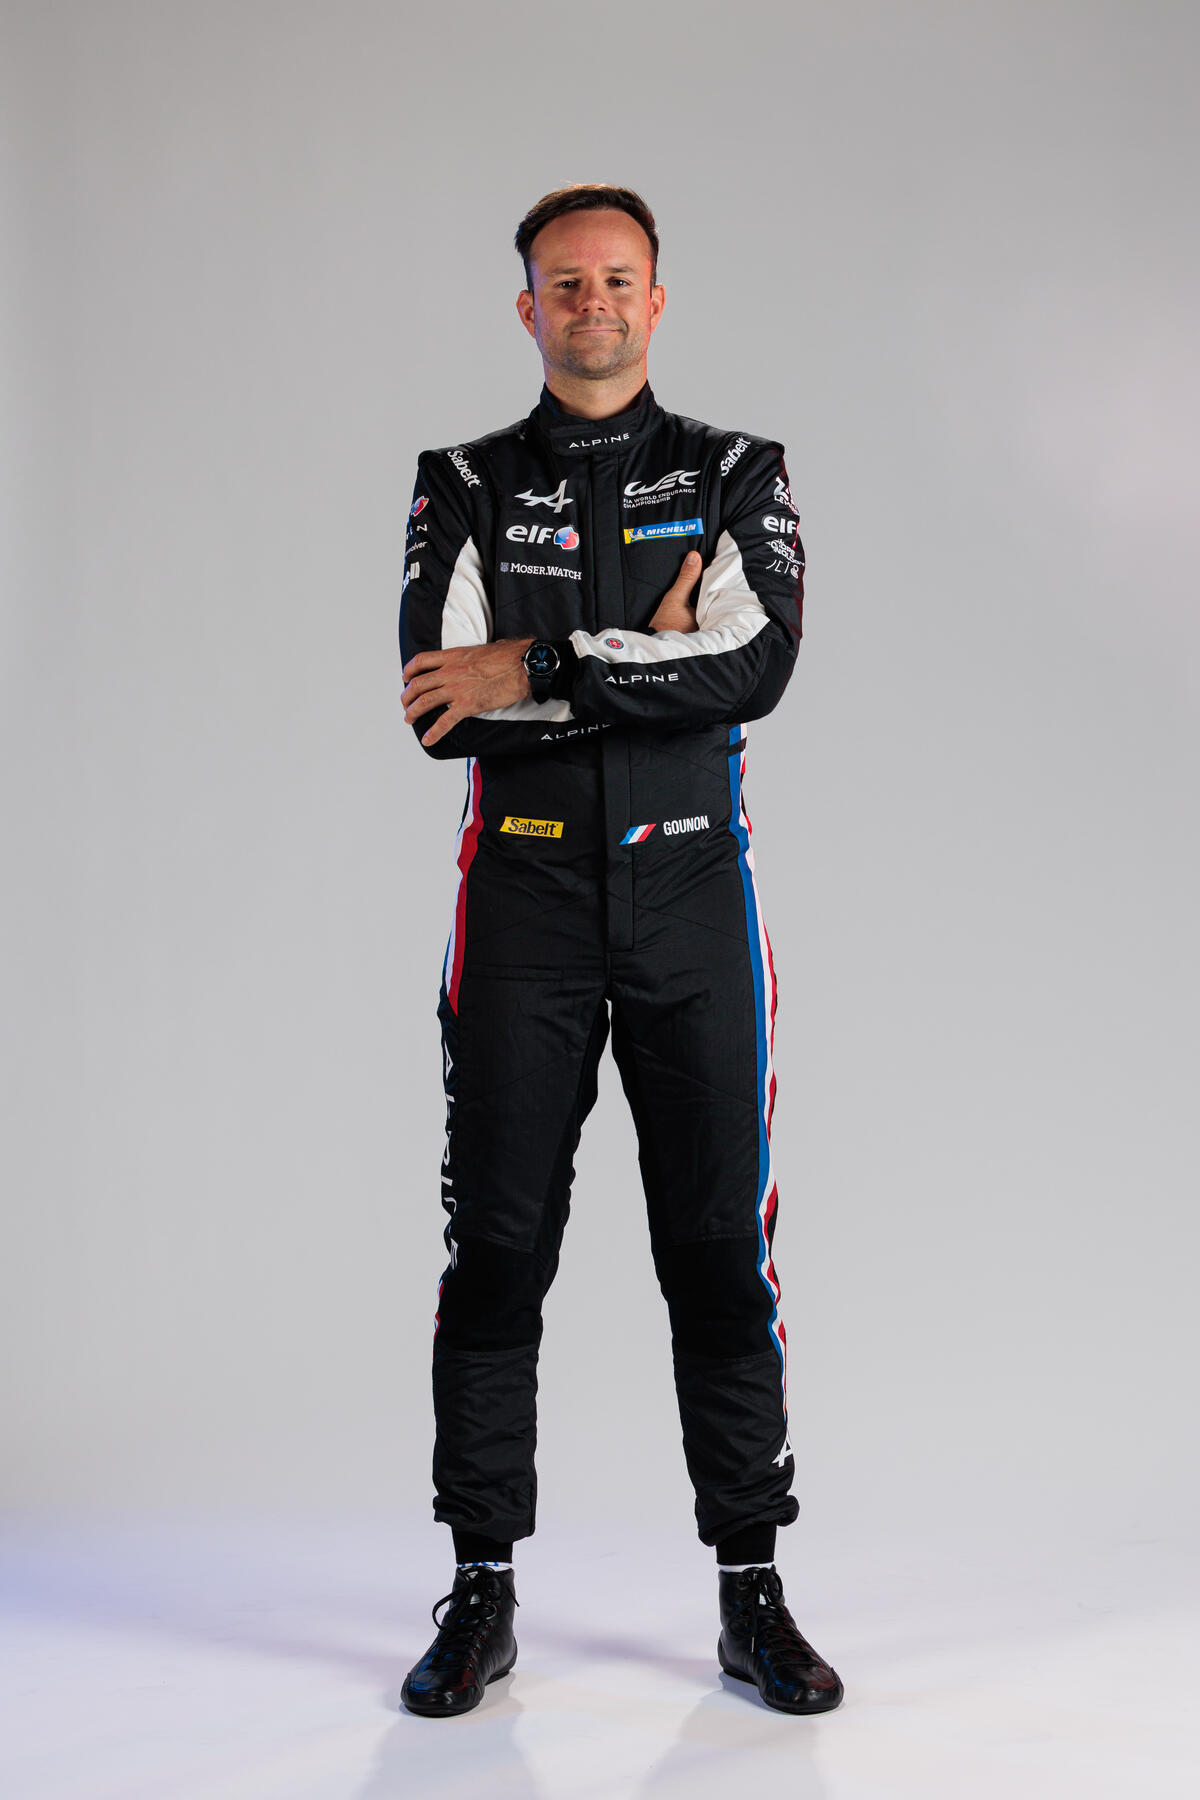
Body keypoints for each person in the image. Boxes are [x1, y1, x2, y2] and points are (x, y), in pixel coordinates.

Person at [397, 184, 842, 1719]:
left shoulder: (734, 471)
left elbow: (757, 660)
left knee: (718, 1250)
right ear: (526, 308)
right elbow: (438, 708)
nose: (593, 302)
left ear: (658, 300)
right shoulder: (461, 482)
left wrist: (543, 657)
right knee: (498, 1255)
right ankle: (480, 1589)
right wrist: (652, 653)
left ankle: (751, 1590)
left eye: (618, 279)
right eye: (565, 282)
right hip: (518, 910)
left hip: (693, 906)